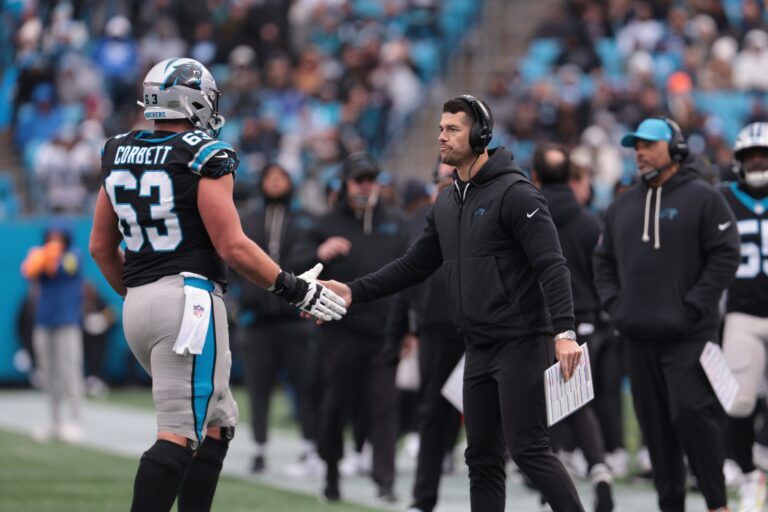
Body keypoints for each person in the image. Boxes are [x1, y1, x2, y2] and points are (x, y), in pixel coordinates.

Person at [88, 57, 347, 512]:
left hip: (141, 302)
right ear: (191, 100)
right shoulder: (205, 154)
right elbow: (233, 246)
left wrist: (138, 298)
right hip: (188, 301)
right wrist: (295, 288)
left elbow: (100, 247)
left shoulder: (116, 150)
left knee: (218, 422)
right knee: (178, 434)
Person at [320, 95, 585, 512]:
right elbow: (413, 265)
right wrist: (355, 290)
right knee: (480, 457)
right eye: (440, 128)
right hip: (476, 346)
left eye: (452, 129)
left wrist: (565, 333)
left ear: (480, 135)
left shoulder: (517, 194)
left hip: (520, 341)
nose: (441, 136)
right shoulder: (447, 201)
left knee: (529, 450)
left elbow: (552, 266)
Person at [593, 116, 740, 512]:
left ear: (675, 148)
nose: (640, 152)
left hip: (689, 337)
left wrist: (694, 305)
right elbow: (602, 261)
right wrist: (614, 305)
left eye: (649, 145)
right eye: (636, 146)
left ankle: (715, 504)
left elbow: (726, 254)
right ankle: (670, 505)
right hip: (637, 338)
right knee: (655, 431)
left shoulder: (704, 197)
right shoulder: (621, 205)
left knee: (694, 416)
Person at [310, 152, 410, 504]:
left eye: (371, 179)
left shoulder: (397, 223)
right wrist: (318, 253)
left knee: (384, 407)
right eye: (359, 179)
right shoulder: (325, 223)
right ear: (346, 183)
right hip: (339, 332)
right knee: (335, 406)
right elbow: (292, 269)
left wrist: (408, 328)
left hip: (384, 333)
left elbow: (411, 278)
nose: (366, 186)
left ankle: (385, 481)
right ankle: (332, 474)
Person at [532, 144, 613, 512]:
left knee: (545, 404)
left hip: (543, 321)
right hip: (585, 320)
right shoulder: (590, 222)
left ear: (535, 177)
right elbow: (601, 274)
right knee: (578, 402)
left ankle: (555, 482)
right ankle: (598, 467)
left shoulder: (529, 215)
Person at [386, 162, 465, 512]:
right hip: (437, 329)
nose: (447, 182)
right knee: (432, 413)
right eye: (443, 177)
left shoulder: (486, 210)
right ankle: (423, 498)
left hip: (484, 330)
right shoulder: (422, 220)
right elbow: (406, 277)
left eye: (453, 176)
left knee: (492, 417)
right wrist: (402, 329)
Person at [233, 162, 320, 475]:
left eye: (280, 177)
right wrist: (238, 302)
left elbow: (313, 259)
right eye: (269, 176)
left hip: (294, 320)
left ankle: (310, 448)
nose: (274, 182)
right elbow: (233, 260)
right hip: (257, 321)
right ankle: (258, 449)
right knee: (258, 389)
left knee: (305, 386)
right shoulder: (248, 219)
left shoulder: (304, 220)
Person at [720, 122, 768, 511]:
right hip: (742, 312)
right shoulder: (721, 198)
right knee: (737, 401)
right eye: (750, 156)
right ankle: (748, 470)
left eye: (763, 156)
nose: (757, 162)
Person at [21, 224, 85, 442]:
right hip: (44, 320)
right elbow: (29, 272)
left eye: (59, 237)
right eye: (51, 237)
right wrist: (39, 259)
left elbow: (63, 268)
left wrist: (47, 256)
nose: (55, 241)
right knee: (48, 374)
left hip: (67, 321)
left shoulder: (73, 256)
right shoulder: (39, 256)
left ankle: (75, 420)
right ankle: (54, 421)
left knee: (70, 371)